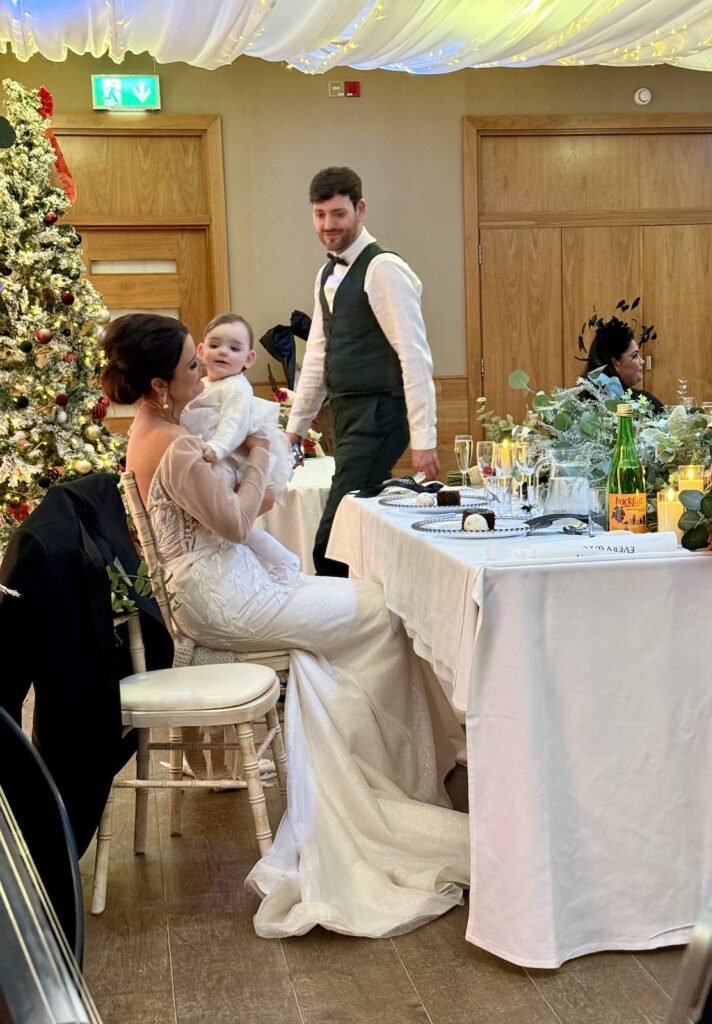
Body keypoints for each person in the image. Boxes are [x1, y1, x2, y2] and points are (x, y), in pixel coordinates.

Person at [100, 312, 469, 939]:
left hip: (221, 584)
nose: (203, 370)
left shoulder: (153, 428)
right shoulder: (175, 444)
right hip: (222, 597)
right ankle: (386, 780)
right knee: (386, 612)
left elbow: (237, 511)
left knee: (363, 613)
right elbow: (238, 524)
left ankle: (380, 764)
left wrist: (250, 470)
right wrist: (262, 454)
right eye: (191, 364)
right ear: (161, 384)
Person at [286, 166, 440, 576]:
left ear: (360, 209)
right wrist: (295, 428)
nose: (328, 225)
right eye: (320, 215)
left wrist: (424, 440)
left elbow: (415, 356)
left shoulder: (383, 268)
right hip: (347, 414)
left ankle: (334, 632)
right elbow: (317, 352)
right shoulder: (325, 274)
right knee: (360, 528)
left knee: (330, 541)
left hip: (381, 413)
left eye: (338, 214)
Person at [180, 313, 292, 502]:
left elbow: (235, 423)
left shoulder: (237, 387)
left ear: (249, 358)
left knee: (218, 500)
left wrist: (217, 448)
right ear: (200, 351)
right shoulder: (203, 383)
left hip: (229, 458)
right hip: (202, 453)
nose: (223, 352)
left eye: (234, 348)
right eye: (214, 345)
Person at [585, 317, 664, 413]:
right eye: (634, 355)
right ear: (615, 363)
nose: (642, 361)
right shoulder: (642, 404)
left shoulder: (580, 403)